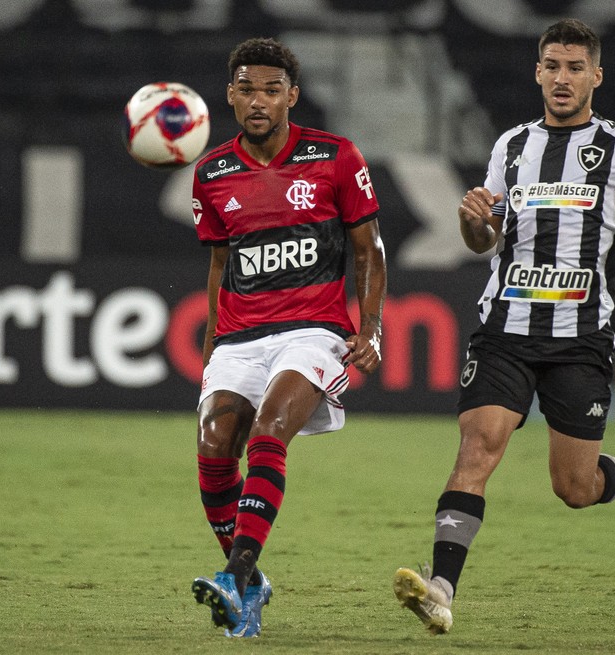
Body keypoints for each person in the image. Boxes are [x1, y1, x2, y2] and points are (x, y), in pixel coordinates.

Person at [392, 18, 615, 634]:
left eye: (574, 67)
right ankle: (442, 590)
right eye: (552, 66)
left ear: (596, 76)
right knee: (477, 450)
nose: (562, 78)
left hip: (580, 337)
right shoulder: (511, 146)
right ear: (537, 72)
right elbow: (484, 237)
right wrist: (474, 219)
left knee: (575, 487)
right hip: (504, 328)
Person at [189, 37, 386, 639]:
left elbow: (368, 250)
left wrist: (370, 329)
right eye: (247, 88)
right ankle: (250, 589)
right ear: (230, 94)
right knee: (215, 448)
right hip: (241, 336)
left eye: (271, 90)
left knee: (271, 430)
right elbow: (221, 266)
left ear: (291, 97)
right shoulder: (211, 173)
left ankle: (235, 574)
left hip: (312, 331)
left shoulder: (335, 157)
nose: (258, 100)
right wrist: (211, 344)